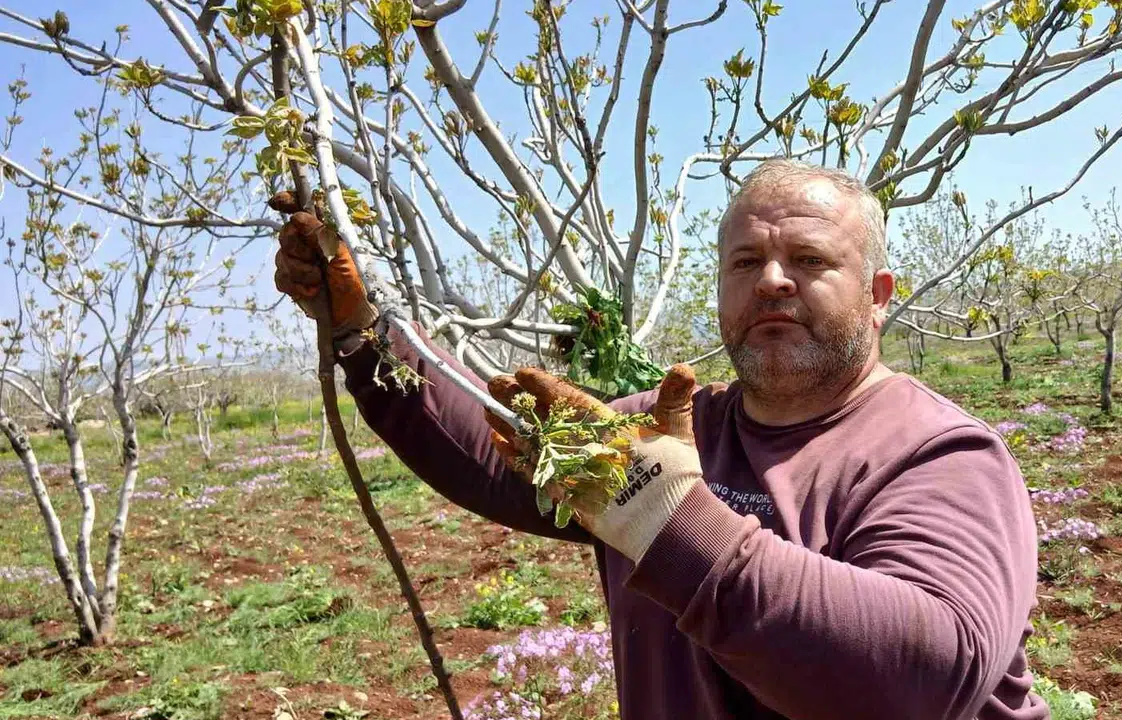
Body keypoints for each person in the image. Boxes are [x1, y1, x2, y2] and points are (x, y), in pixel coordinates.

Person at [273, 159, 1045, 719]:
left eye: (809, 260)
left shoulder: (940, 455)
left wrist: (664, 517)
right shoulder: (667, 428)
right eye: (746, 261)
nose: (772, 280)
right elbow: (491, 456)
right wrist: (362, 332)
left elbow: (925, 678)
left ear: (878, 297)